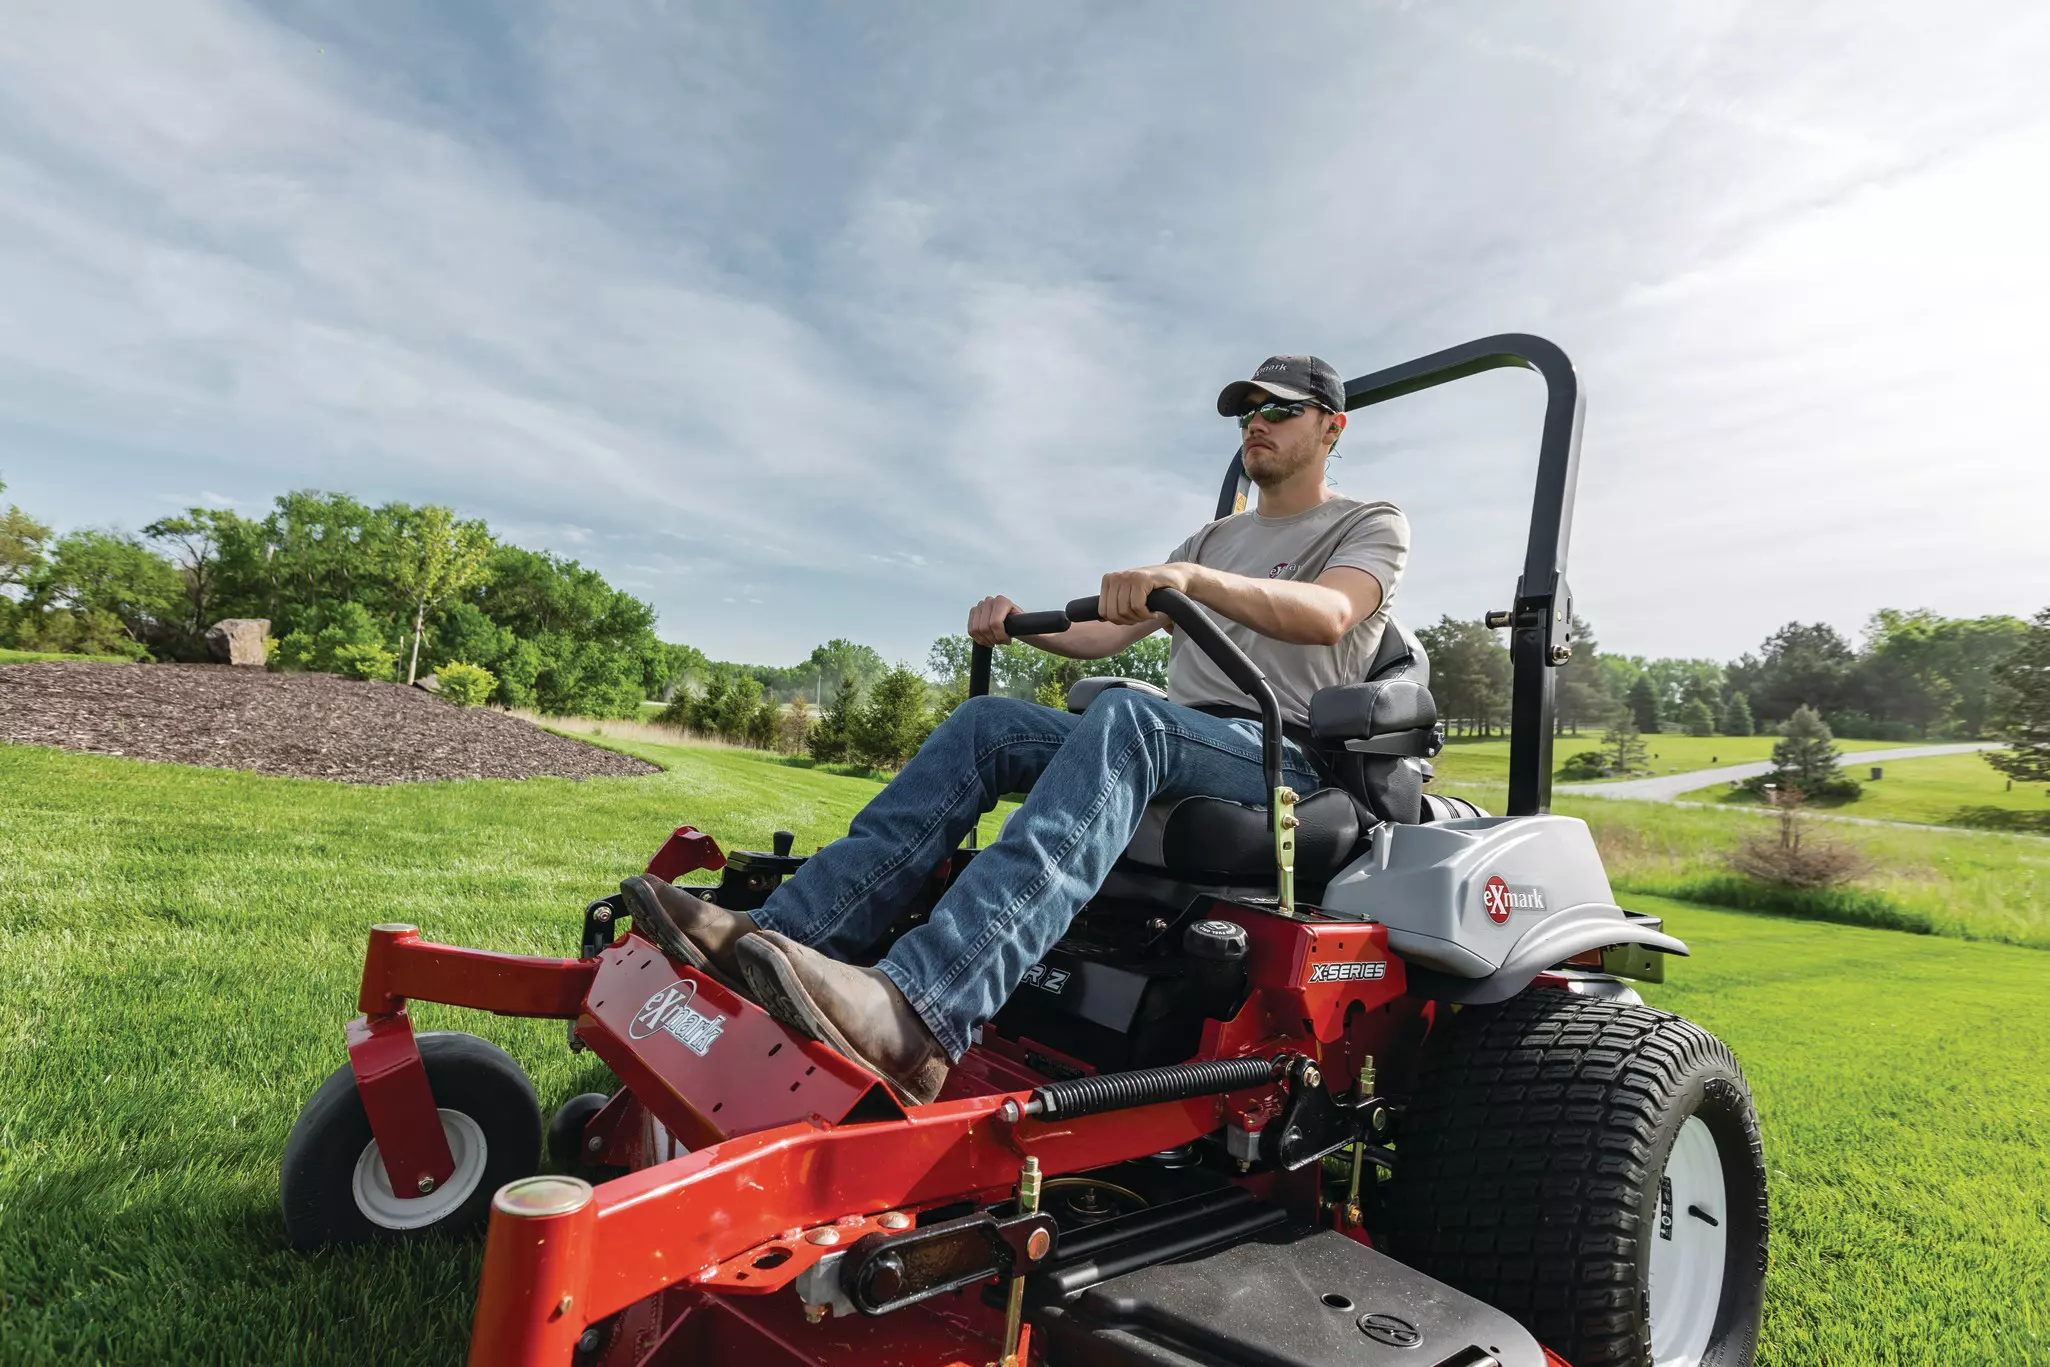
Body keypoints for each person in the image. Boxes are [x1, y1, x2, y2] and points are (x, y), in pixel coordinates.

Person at [624, 355, 1409, 1103]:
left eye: (1279, 409)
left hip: (1280, 755)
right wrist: (1017, 624)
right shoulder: (1211, 538)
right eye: (1246, 409)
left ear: (1332, 428)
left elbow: (1332, 612)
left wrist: (1190, 582)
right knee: (989, 721)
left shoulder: (1369, 522)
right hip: (1177, 737)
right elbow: (1104, 636)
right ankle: (783, 933)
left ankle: (919, 1012)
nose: (1256, 422)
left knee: (1129, 716)